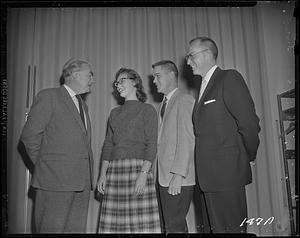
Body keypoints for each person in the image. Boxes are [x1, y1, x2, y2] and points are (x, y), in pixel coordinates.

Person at [186, 36, 261, 233]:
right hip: (207, 178)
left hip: (226, 175)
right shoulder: (202, 87)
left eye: (191, 55)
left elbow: (249, 124)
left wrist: (248, 154)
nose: (187, 61)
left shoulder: (229, 78)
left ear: (208, 54)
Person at [20, 58, 95, 233]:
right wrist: (46, 167)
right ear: (75, 75)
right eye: (90, 75)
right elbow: (29, 136)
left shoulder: (83, 105)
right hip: (54, 182)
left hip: (81, 183)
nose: (93, 79)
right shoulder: (49, 96)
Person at [97, 68, 161, 233]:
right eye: (116, 83)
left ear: (135, 82)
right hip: (115, 173)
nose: (117, 85)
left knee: (140, 226)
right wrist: (102, 175)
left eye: (122, 80)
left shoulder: (147, 110)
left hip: (138, 172)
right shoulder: (114, 113)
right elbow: (108, 145)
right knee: (115, 227)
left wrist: (143, 174)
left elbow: (152, 144)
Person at [152, 60, 195, 233]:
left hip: (177, 178)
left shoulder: (184, 100)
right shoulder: (163, 104)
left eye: (157, 76)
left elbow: (187, 139)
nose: (154, 81)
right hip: (163, 177)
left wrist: (178, 174)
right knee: (170, 226)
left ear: (171, 75)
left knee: (174, 226)